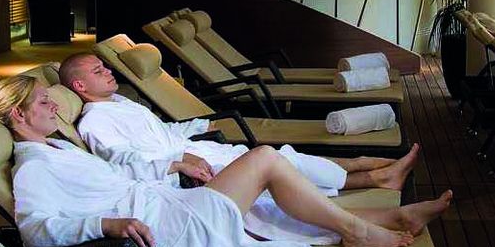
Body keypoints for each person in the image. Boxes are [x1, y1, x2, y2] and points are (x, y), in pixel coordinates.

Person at [0, 75, 452, 247]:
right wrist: (107, 224)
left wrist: (172, 160)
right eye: (44, 103)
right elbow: (34, 231)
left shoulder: (58, 148)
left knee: (267, 204)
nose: (53, 108)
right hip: (162, 225)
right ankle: (356, 231)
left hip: (169, 204)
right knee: (264, 160)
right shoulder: (32, 167)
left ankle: (394, 217)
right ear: (18, 115)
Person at [60, 52, 419, 195]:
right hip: (187, 174)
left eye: (105, 66)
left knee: (284, 158)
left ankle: (362, 166)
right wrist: (178, 161)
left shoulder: (120, 103)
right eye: (98, 71)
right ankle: (370, 175)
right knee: (280, 167)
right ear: (79, 86)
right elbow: (122, 160)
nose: (108, 71)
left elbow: (164, 132)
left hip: (197, 151)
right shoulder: (95, 121)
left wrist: (196, 127)